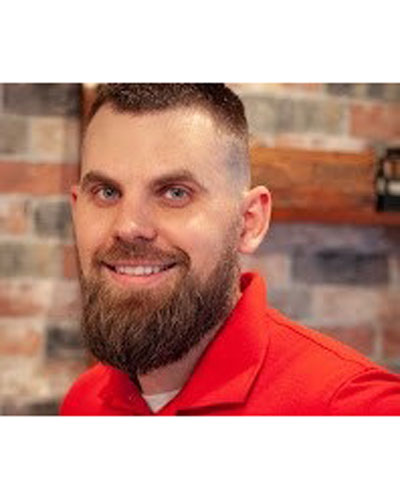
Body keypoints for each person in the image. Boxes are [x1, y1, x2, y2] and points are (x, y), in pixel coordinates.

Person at [60, 83, 400, 416]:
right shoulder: (83, 400)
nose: (128, 227)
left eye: (175, 193)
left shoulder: (357, 408)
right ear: (76, 209)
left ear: (249, 222)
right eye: (106, 192)